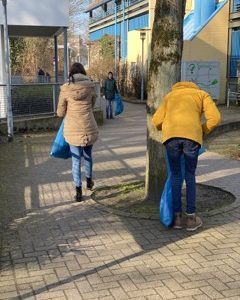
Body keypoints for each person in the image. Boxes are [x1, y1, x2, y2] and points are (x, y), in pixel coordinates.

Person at [152, 81, 221, 231]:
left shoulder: (170, 96)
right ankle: (190, 218)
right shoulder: (202, 94)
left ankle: (177, 218)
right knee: (190, 176)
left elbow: (156, 120)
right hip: (191, 138)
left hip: (171, 138)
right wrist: (202, 130)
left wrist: (166, 129)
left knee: (176, 176)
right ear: (194, 86)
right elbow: (215, 118)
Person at [57, 62, 98, 202]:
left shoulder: (65, 88)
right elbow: (92, 105)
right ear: (83, 72)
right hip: (88, 127)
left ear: (71, 73)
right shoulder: (91, 86)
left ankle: (78, 191)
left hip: (73, 129)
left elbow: (60, 112)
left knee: (76, 160)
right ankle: (89, 181)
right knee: (88, 155)